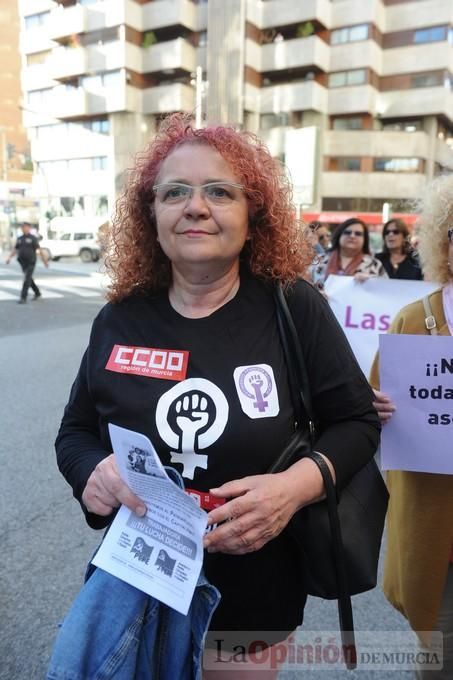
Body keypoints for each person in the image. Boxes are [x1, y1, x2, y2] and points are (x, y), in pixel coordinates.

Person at [54, 113, 380, 678]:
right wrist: (92, 474)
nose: (195, 206)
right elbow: (75, 433)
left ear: (253, 217)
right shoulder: (118, 320)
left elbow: (355, 422)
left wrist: (289, 491)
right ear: (150, 214)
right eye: (174, 191)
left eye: (219, 192)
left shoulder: (294, 307)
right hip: (137, 577)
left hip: (253, 589)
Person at [370, 174, 453, 680]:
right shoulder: (411, 319)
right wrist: (375, 410)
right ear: (445, 241)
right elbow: (366, 419)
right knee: (438, 660)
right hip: (435, 534)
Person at [310, 217, 386, 290]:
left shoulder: (375, 265)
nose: (352, 236)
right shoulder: (319, 261)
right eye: (347, 232)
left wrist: (373, 283)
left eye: (358, 234)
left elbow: (386, 292)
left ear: (364, 239)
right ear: (339, 235)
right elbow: (306, 289)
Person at [5, 222, 48, 302]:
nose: (24, 228)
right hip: (22, 262)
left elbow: (39, 250)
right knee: (29, 278)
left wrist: (44, 260)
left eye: (25, 227)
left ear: (29, 228)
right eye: (23, 227)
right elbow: (15, 249)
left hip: (31, 261)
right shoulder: (20, 239)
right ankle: (37, 293)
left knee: (26, 278)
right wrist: (9, 258)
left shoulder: (33, 238)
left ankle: (23, 297)